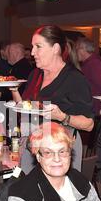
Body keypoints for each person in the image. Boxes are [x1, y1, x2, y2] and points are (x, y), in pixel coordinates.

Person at [10, 25, 94, 174]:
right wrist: (14, 90)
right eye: (32, 47)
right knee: (31, 193)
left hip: (61, 150)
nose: (33, 52)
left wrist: (62, 117)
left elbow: (89, 124)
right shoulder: (35, 74)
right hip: (34, 146)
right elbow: (25, 107)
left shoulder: (74, 79)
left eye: (38, 47)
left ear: (55, 48)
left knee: (58, 195)